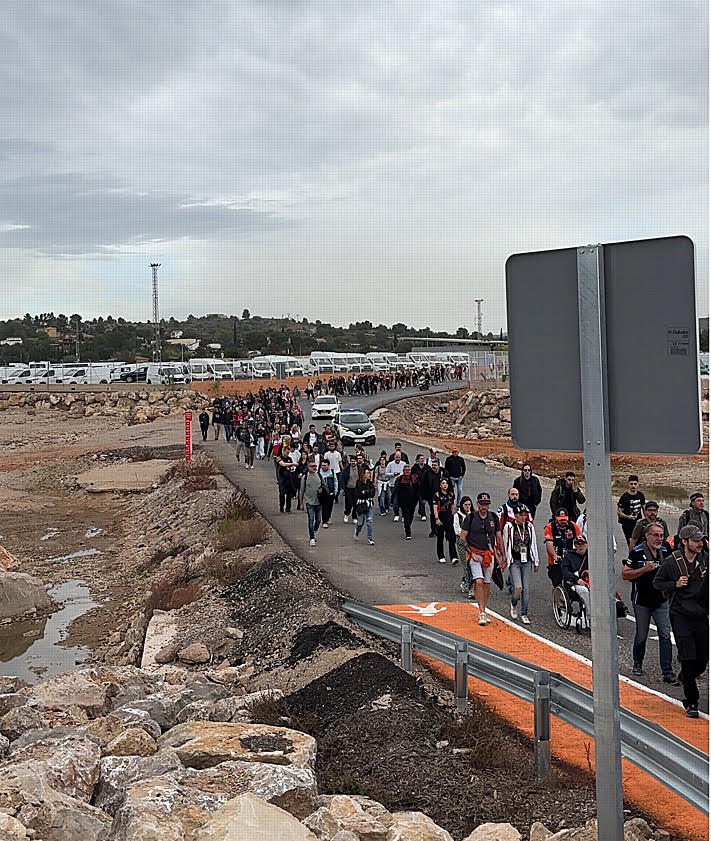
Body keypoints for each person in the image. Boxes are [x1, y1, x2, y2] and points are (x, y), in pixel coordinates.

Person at [654, 525, 709, 717]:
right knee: (688, 657)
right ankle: (691, 702)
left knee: (703, 660)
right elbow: (657, 582)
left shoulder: (705, 559)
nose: (699, 543)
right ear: (684, 542)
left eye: (701, 540)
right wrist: (674, 584)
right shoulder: (672, 562)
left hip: (701, 615)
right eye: (695, 540)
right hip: (680, 615)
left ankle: (686, 676)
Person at [622, 522, 677, 683]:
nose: (659, 539)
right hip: (642, 601)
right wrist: (644, 570)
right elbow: (625, 574)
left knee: (665, 635)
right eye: (655, 535)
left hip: (661, 600)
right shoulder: (637, 552)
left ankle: (667, 672)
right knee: (642, 634)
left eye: (661, 535)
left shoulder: (666, 550)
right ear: (647, 536)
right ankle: (637, 663)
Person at [459, 492, 504, 625]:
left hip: (488, 554)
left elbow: (498, 537)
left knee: (487, 583)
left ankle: (483, 608)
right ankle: (482, 611)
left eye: (486, 504)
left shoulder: (493, 517)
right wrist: (470, 553)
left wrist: (502, 554)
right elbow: (462, 538)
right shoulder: (471, 518)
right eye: (482, 504)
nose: (484, 506)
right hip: (474, 553)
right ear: (478, 504)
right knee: (478, 581)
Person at [502, 503, 539, 624]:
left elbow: (533, 544)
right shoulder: (510, 526)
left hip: (526, 560)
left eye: (525, 515)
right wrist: (505, 558)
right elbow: (505, 542)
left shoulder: (529, 527)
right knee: (518, 587)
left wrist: (536, 560)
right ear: (515, 515)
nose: (523, 517)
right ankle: (513, 603)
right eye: (520, 515)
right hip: (515, 561)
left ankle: (524, 612)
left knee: (526, 589)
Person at [544, 508, 582, 585]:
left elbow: (580, 539)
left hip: (570, 558)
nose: (563, 522)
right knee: (557, 583)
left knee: (571, 581)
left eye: (565, 520)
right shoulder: (550, 527)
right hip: (556, 558)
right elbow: (549, 544)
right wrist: (555, 556)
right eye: (561, 520)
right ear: (556, 518)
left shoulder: (573, 526)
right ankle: (556, 595)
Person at [561, 535, 591, 623]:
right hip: (575, 583)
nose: (580, 546)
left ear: (587, 544)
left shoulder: (591, 555)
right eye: (578, 544)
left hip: (590, 581)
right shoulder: (569, 556)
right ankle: (591, 617)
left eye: (583, 543)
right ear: (575, 545)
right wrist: (576, 579)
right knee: (584, 591)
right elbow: (565, 571)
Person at [422, 459, 449, 537]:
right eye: (432, 465)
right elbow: (423, 486)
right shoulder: (427, 473)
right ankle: (433, 530)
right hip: (431, 497)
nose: (433, 467)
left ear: (438, 465)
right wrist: (423, 497)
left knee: (443, 513)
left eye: (435, 465)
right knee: (433, 513)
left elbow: (449, 484)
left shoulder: (444, 473)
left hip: (443, 497)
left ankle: (443, 529)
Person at [433, 477, 457, 564]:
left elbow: (452, 506)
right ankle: (441, 556)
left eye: (446, 483)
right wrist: (436, 518)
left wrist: (454, 515)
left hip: (449, 518)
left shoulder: (450, 494)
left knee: (451, 537)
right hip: (440, 518)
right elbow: (435, 508)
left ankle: (453, 557)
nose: (445, 485)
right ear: (440, 485)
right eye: (443, 483)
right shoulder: (437, 495)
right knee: (440, 537)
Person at [617, 475, 646, 545]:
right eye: (631, 484)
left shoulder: (641, 495)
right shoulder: (624, 497)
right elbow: (619, 512)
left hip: (639, 523)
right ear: (628, 484)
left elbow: (644, 509)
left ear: (638, 484)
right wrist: (628, 517)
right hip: (627, 524)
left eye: (635, 484)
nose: (633, 486)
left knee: (640, 542)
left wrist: (647, 520)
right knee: (630, 543)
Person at [394, 463, 420, 539]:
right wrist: (394, 501)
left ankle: (408, 525)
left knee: (411, 515)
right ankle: (408, 532)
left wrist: (419, 497)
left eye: (408, 470)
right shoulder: (399, 479)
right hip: (403, 501)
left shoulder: (415, 478)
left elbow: (419, 488)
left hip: (413, 501)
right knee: (406, 516)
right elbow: (395, 490)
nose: (407, 471)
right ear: (403, 471)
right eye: (406, 470)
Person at [301, 459, 323, 546]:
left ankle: (314, 531)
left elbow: (324, 486)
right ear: (308, 467)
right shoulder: (305, 477)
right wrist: (301, 503)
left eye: (315, 466)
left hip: (319, 502)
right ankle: (312, 538)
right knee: (311, 520)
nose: (314, 468)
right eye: (312, 466)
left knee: (318, 520)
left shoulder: (319, 476)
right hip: (309, 503)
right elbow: (301, 491)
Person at [454, 497, 473, 591]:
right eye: (465, 505)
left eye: (469, 504)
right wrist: (466, 532)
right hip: (461, 542)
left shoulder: (473, 515)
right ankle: (470, 586)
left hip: (472, 542)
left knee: (471, 563)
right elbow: (457, 530)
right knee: (465, 564)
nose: (467, 507)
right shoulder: (458, 515)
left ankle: (465, 581)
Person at [354, 467, 376, 545]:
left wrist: (367, 493)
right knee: (360, 523)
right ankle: (357, 532)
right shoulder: (358, 483)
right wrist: (366, 493)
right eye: (367, 473)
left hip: (369, 504)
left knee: (369, 522)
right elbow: (358, 494)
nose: (369, 474)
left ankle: (370, 538)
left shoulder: (370, 483)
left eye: (369, 473)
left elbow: (373, 493)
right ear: (363, 474)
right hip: (361, 505)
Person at [385, 451, 406, 522]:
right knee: (395, 501)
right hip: (393, 485)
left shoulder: (404, 464)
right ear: (394, 457)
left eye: (399, 457)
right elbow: (386, 473)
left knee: (403, 501)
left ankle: (403, 515)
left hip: (402, 485)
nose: (397, 458)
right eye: (396, 457)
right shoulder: (390, 464)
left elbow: (406, 473)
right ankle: (396, 514)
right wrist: (393, 474)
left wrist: (400, 475)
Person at [276, 443, 297, 513]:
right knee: (282, 494)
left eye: (289, 452)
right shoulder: (279, 458)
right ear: (283, 451)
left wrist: (291, 466)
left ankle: (288, 508)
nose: (288, 454)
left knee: (289, 495)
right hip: (282, 478)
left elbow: (291, 468)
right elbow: (283, 464)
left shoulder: (289, 458)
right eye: (287, 452)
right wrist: (292, 464)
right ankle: (281, 507)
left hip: (288, 478)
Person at [317, 458, 336, 528]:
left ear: (328, 465)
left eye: (325, 465)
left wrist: (335, 491)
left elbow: (335, 481)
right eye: (322, 465)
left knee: (330, 507)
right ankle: (324, 521)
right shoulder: (319, 473)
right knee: (324, 507)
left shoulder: (332, 472)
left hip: (331, 493)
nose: (323, 467)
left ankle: (328, 518)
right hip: (323, 494)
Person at [411, 454, 430, 521]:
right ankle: (418, 511)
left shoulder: (427, 467)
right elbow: (412, 477)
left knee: (422, 501)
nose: (422, 460)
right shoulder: (414, 468)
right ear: (417, 460)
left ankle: (423, 514)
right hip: (416, 487)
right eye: (421, 459)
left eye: (423, 458)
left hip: (424, 487)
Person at [342, 455, 359, 524]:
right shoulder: (346, 469)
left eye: (354, 461)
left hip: (357, 489)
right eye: (352, 461)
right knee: (349, 503)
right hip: (348, 488)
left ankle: (354, 517)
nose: (353, 463)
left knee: (356, 504)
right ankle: (346, 514)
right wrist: (344, 488)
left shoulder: (360, 469)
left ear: (357, 461)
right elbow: (343, 478)